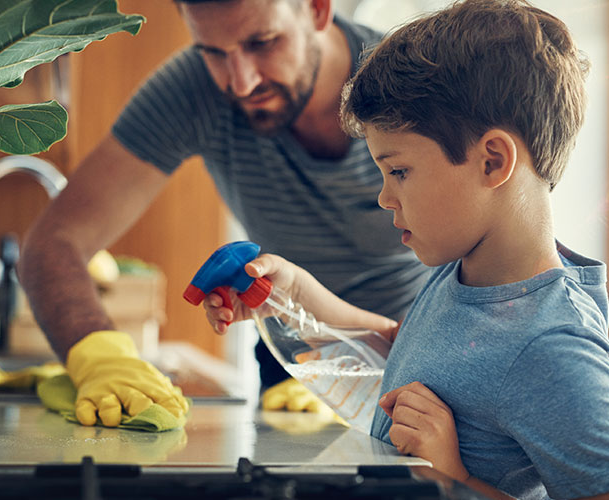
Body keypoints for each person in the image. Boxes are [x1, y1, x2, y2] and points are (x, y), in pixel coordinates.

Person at [204, 0, 609, 498]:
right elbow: (408, 351)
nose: (384, 196)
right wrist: (290, 296)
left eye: (398, 171)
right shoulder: (465, 272)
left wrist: (454, 479)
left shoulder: (552, 350)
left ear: (492, 161)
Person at [18, 0, 430, 427]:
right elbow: (54, 242)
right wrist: (99, 355)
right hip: (296, 367)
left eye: (263, 42)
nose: (241, 82)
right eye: (212, 51)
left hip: (427, 351)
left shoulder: (412, 87)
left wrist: (412, 356)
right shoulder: (193, 89)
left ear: (317, 10)